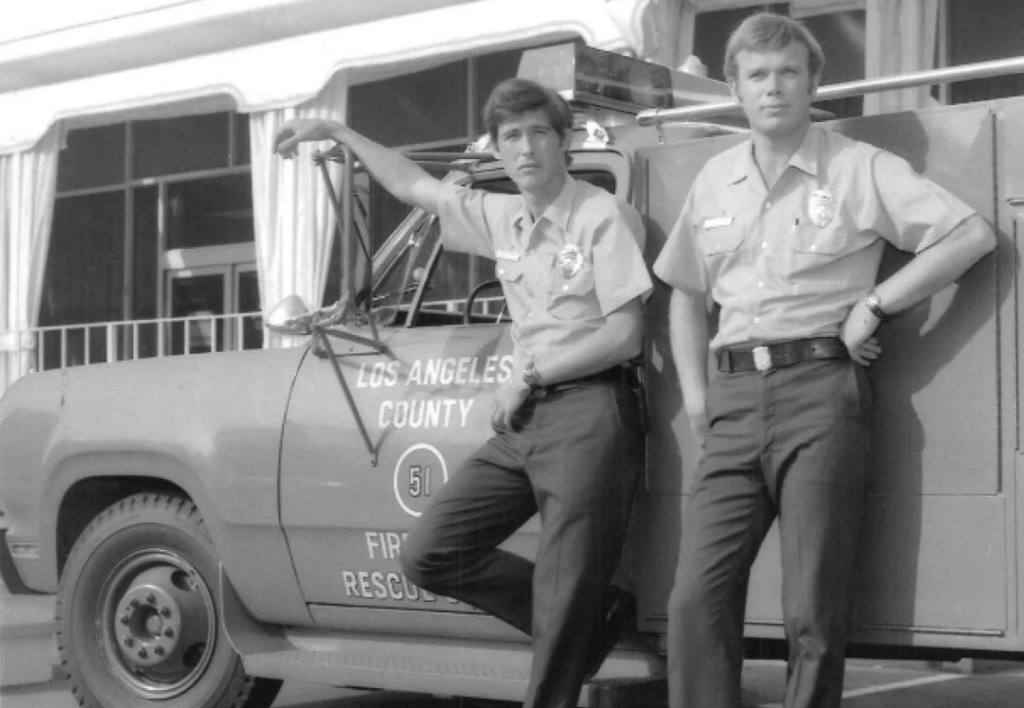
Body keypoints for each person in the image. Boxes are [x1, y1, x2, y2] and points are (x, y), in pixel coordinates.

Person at [652, 12, 995, 708]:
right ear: (736, 89)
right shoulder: (715, 180)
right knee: (693, 600)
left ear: (814, 82)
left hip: (820, 394)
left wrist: (875, 304)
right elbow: (685, 295)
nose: (773, 88)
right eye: (757, 76)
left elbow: (971, 235)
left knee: (812, 607)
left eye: (787, 73)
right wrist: (695, 396)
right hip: (732, 402)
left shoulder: (858, 168)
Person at [274, 77, 652, 708]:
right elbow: (412, 186)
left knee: (563, 590)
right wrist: (339, 133)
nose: (526, 149)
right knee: (430, 552)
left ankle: (571, 631)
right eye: (512, 137)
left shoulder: (598, 216)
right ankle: (589, 618)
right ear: (499, 151)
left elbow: (626, 335)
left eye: (538, 133)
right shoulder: (501, 216)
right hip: (527, 422)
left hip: (592, 412)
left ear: (564, 143)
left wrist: (530, 374)